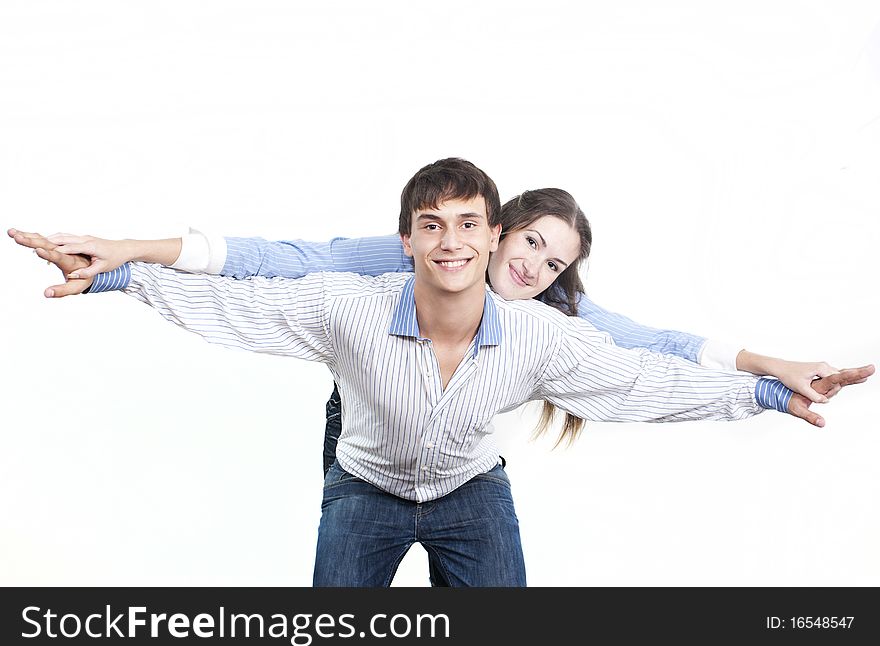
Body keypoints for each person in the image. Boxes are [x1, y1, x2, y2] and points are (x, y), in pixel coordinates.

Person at [8, 158, 874, 587]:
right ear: (415, 235)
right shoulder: (358, 285)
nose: (523, 260)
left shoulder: (549, 326)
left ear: (490, 235)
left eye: (542, 254)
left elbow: (654, 364)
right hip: (366, 460)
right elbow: (254, 278)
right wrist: (120, 263)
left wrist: (767, 378)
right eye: (435, 227)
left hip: (469, 478)